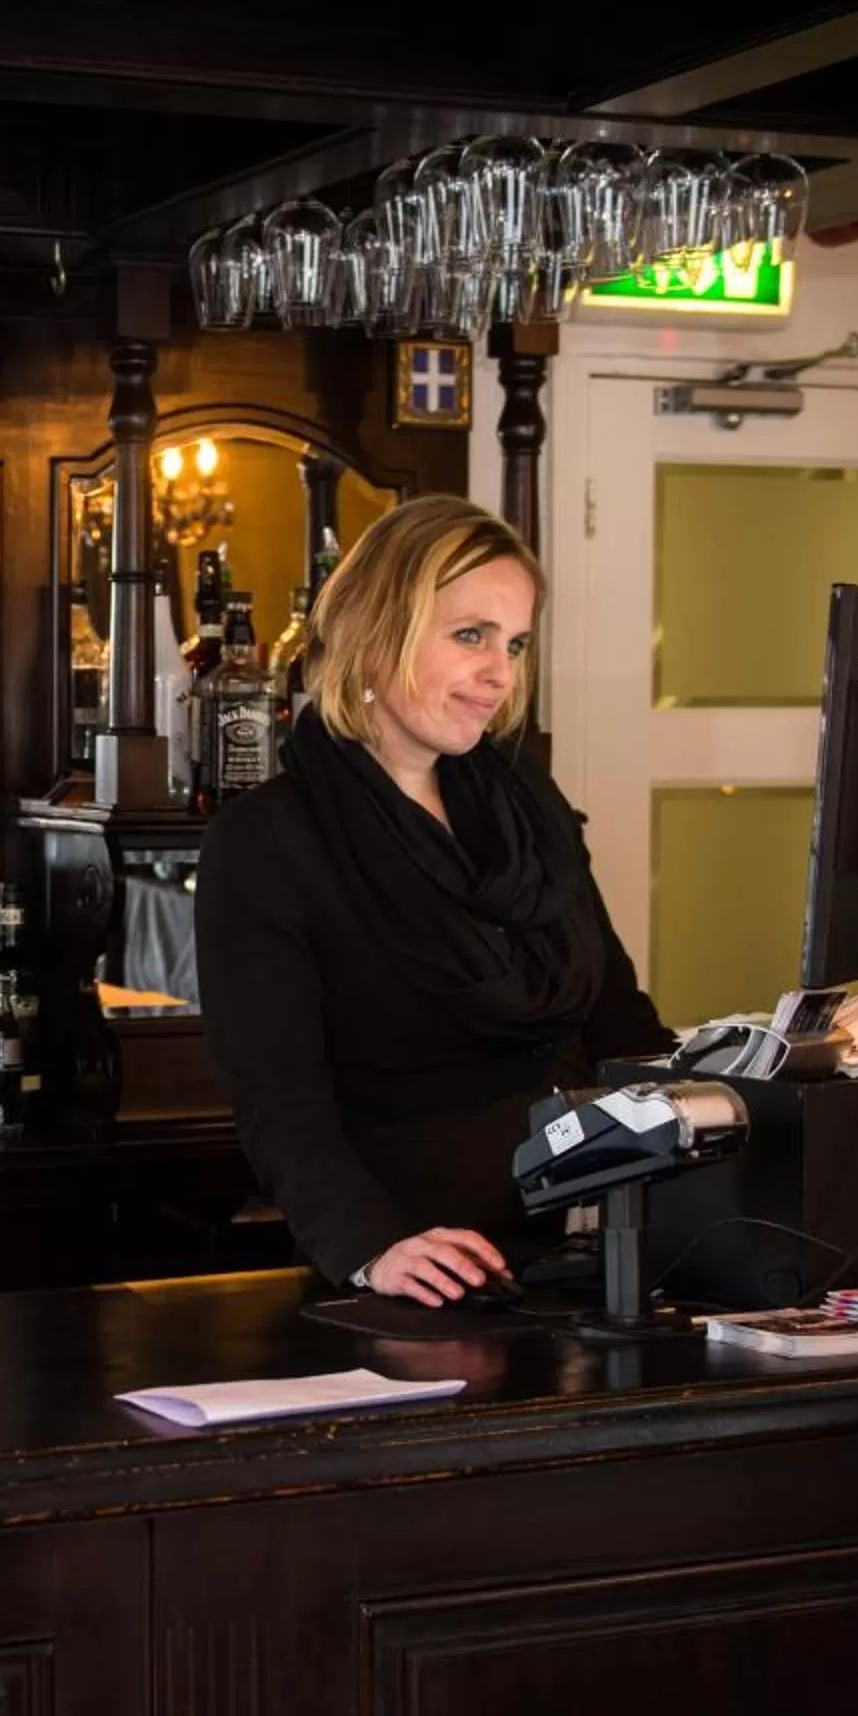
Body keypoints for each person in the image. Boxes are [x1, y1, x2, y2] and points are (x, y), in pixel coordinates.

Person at [194, 497, 669, 1306]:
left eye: (514, 644)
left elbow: (619, 1019)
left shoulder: (526, 802)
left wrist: (730, 1101)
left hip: (594, 1246)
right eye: (471, 636)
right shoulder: (268, 839)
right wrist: (374, 1249)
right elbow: (281, 1101)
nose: (501, 675)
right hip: (426, 1269)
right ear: (376, 633)